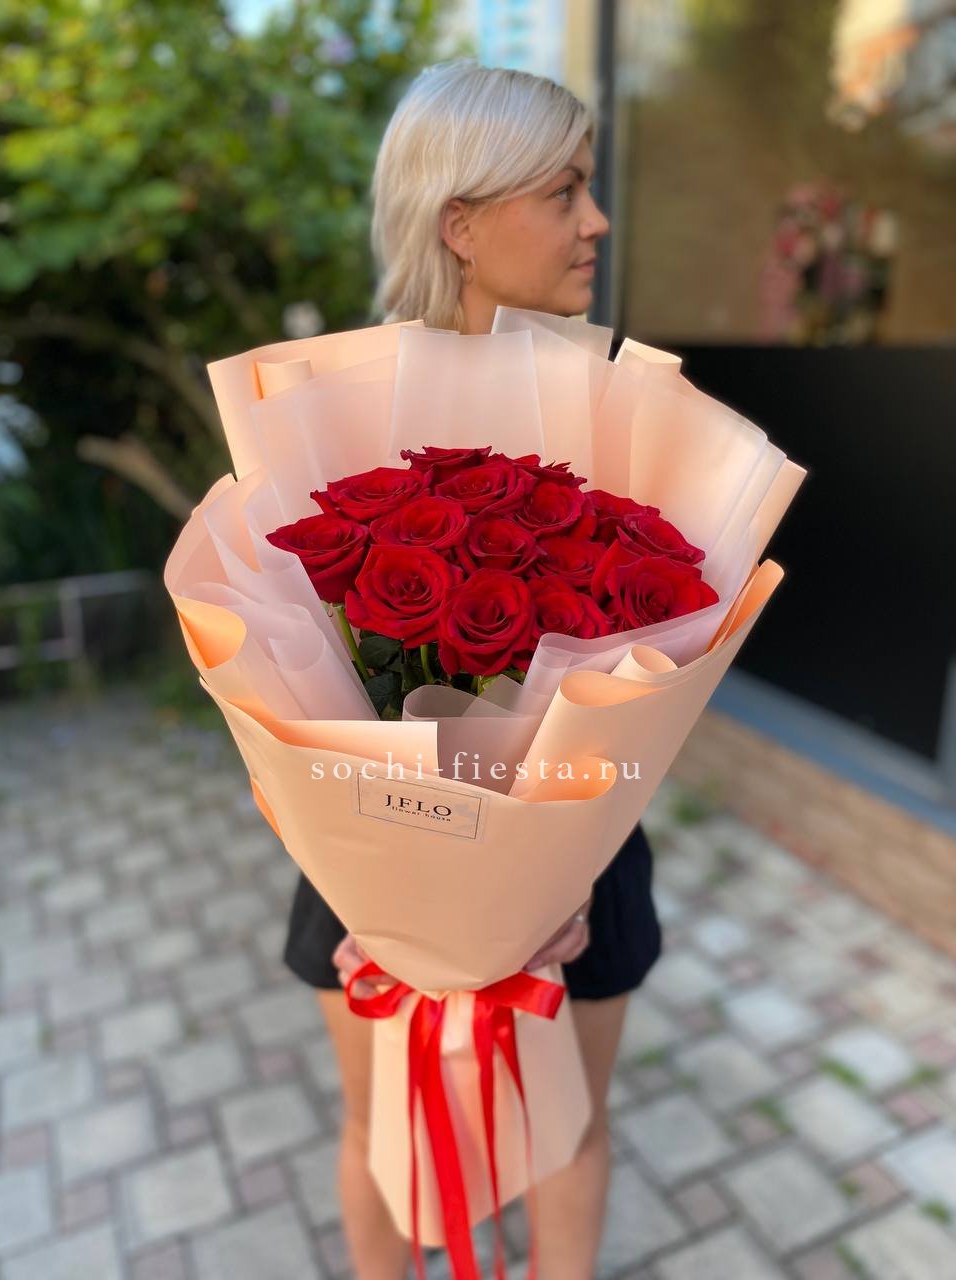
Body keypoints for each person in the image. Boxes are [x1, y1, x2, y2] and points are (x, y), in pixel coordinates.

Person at [282, 59, 663, 1279]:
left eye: (587, 188)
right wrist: (386, 872)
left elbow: (656, 657)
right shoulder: (325, 412)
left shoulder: (623, 407)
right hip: (366, 870)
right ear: (460, 221)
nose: (598, 221)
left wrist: (566, 831)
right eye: (564, 192)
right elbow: (277, 676)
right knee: (376, 1127)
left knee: (570, 1133)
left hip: (579, 861)